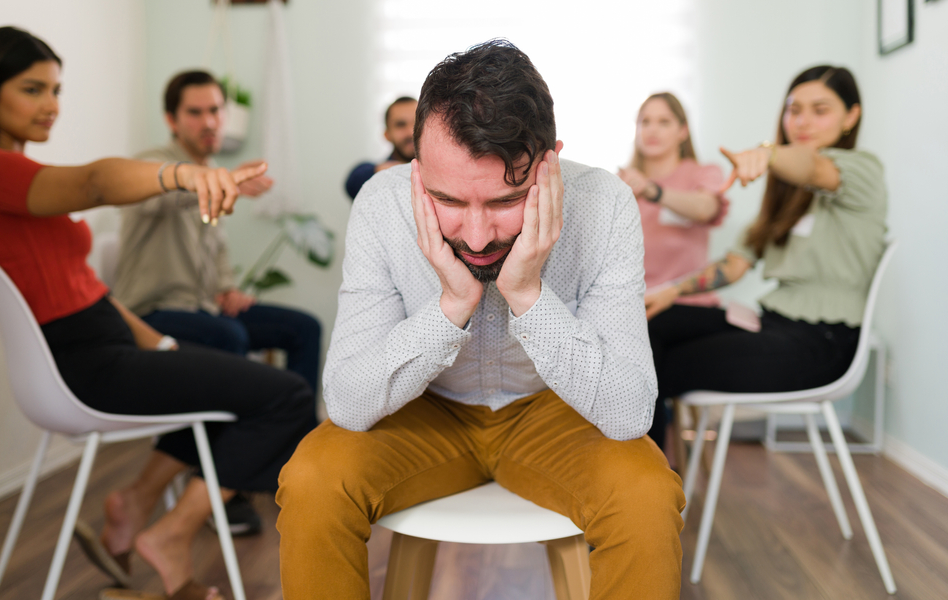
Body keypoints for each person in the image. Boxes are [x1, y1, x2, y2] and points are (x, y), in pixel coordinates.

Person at [276, 40, 685, 600]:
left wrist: (527, 294)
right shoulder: (382, 202)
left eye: (502, 202)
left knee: (646, 496)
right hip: (425, 414)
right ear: (416, 166)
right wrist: (451, 306)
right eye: (447, 199)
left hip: (554, 412)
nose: (476, 237)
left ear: (550, 162)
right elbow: (347, 400)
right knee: (313, 481)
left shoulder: (605, 203)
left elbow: (629, 412)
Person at [0, 27, 317, 600]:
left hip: (103, 346)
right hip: (84, 364)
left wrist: (161, 346)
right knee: (287, 396)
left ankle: (152, 532)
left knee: (236, 386)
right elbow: (96, 182)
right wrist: (184, 173)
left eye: (56, 90)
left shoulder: (13, 181)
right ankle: (170, 535)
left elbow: (89, 291)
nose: (52, 105)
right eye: (33, 89)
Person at [644, 65, 886, 449]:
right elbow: (737, 262)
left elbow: (813, 164)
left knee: (652, 369)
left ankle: (648, 484)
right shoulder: (788, 190)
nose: (803, 121)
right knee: (653, 324)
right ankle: (651, 476)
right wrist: (672, 291)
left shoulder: (862, 171)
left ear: (851, 116)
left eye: (820, 110)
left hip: (822, 343)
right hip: (772, 324)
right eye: (794, 109)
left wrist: (768, 153)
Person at [114, 70, 322, 399]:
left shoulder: (213, 174)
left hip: (202, 307)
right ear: (171, 119)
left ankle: (302, 441)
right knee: (228, 336)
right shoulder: (150, 166)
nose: (209, 122)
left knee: (304, 328)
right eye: (195, 113)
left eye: (215, 110)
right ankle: (233, 443)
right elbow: (168, 194)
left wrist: (226, 288)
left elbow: (215, 249)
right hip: (151, 313)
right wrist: (222, 180)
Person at [618, 92, 728, 307]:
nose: (652, 130)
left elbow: (705, 208)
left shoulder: (703, 174)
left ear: (683, 131)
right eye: (645, 122)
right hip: (632, 304)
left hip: (686, 304)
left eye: (664, 122)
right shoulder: (620, 184)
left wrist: (654, 192)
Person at [344, 96, 417, 199]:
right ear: (387, 134)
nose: (411, 132)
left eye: (417, 123)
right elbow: (353, 182)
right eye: (400, 125)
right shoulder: (373, 173)